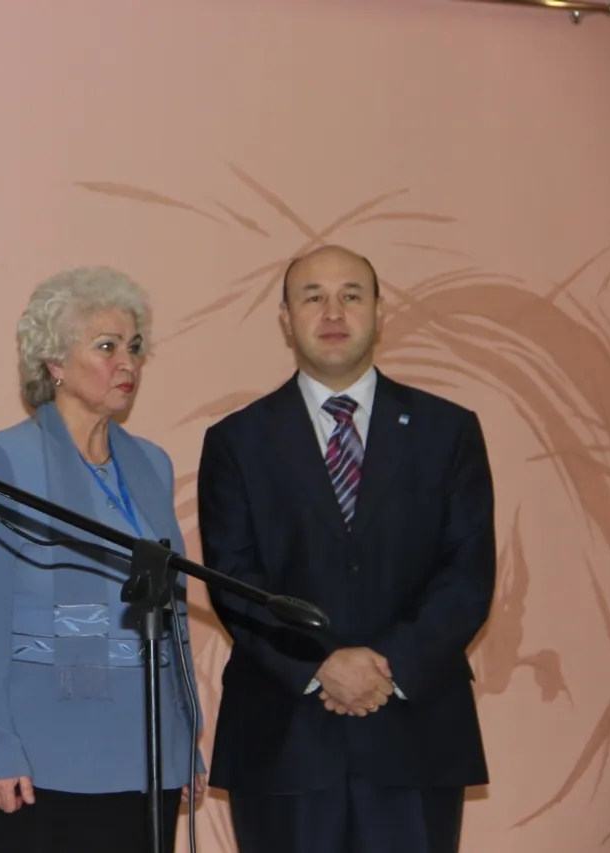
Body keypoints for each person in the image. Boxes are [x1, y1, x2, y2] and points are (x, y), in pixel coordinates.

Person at [197, 244, 495, 853]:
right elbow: (234, 579)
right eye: (313, 297)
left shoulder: (448, 430)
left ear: (380, 312)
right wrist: (322, 664)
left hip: (416, 733)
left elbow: (467, 573)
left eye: (351, 296)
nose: (333, 312)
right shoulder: (237, 441)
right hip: (284, 739)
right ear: (286, 319)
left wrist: (388, 666)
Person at [0, 267, 207, 853]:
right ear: (54, 362)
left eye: (134, 346)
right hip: (41, 764)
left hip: (149, 759)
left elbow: (172, 613)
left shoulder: (152, 464)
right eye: (107, 347)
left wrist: (186, 737)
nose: (127, 363)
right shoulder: (4, 460)